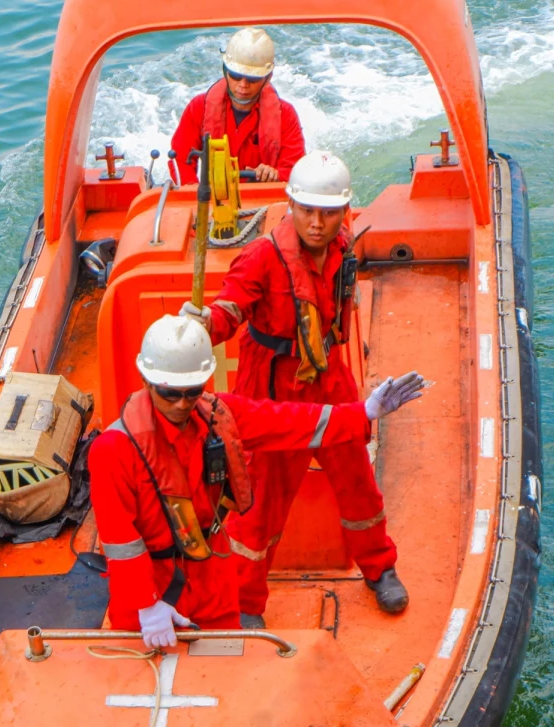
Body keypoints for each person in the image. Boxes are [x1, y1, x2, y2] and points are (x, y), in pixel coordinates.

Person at [89, 315, 425, 649]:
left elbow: (286, 421)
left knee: (226, 669)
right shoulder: (113, 449)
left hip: (211, 581)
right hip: (148, 593)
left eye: (192, 392)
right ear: (147, 381)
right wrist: (146, 604)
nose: (181, 404)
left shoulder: (218, 416)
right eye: (169, 393)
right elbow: (120, 539)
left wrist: (362, 413)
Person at [181, 151, 411, 627]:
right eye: (307, 210)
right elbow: (231, 309)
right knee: (260, 499)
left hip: (327, 374)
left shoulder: (343, 246)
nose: (317, 222)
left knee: (357, 480)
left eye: (328, 213)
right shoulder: (262, 256)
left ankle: (379, 567)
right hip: (271, 385)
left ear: (342, 214)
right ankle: (246, 602)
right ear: (291, 205)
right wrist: (206, 322)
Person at [169, 27, 306, 185]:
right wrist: (196, 196)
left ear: (268, 78)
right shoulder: (199, 107)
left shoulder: (286, 115)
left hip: (264, 200)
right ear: (225, 71)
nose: (243, 85)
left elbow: (294, 171)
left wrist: (274, 175)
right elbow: (180, 161)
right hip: (212, 201)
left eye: (252, 78)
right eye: (236, 75)